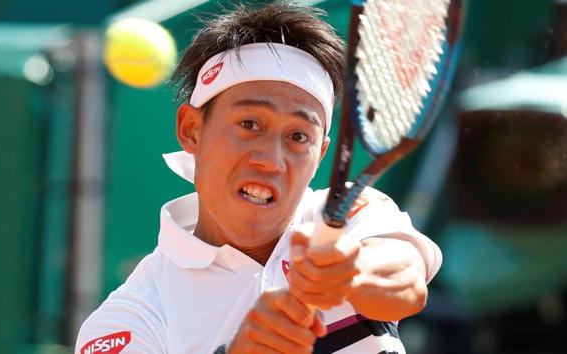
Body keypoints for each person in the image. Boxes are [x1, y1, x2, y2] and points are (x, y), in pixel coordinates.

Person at [75, 1, 442, 353]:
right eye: (249, 124)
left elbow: (406, 282)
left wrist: (351, 272)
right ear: (190, 130)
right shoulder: (127, 320)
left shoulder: (350, 213)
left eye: (299, 137)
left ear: (321, 155)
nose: (272, 160)